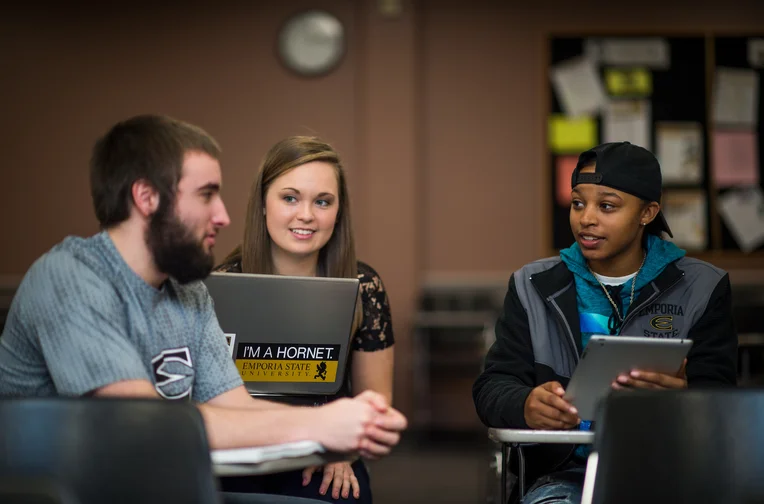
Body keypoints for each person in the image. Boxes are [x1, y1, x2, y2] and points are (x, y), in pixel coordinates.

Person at [0, 115, 407, 504]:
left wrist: (342, 428)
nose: (224, 216)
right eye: (207, 195)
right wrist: (322, 425)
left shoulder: (187, 290)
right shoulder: (69, 279)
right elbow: (148, 426)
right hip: (68, 489)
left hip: (149, 479)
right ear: (147, 198)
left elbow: (235, 405)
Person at [472, 141, 738, 504]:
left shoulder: (701, 287)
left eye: (607, 206)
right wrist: (525, 405)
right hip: (563, 476)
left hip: (669, 470)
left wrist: (687, 399)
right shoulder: (532, 285)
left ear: (647, 213)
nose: (586, 218)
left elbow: (724, 404)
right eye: (578, 203)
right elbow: (492, 387)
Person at [216, 136, 394, 504]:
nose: (306, 215)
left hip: (325, 454)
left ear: (338, 212)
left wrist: (343, 450)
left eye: (322, 202)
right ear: (263, 204)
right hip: (240, 450)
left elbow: (375, 401)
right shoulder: (218, 284)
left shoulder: (364, 285)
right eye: (290, 198)